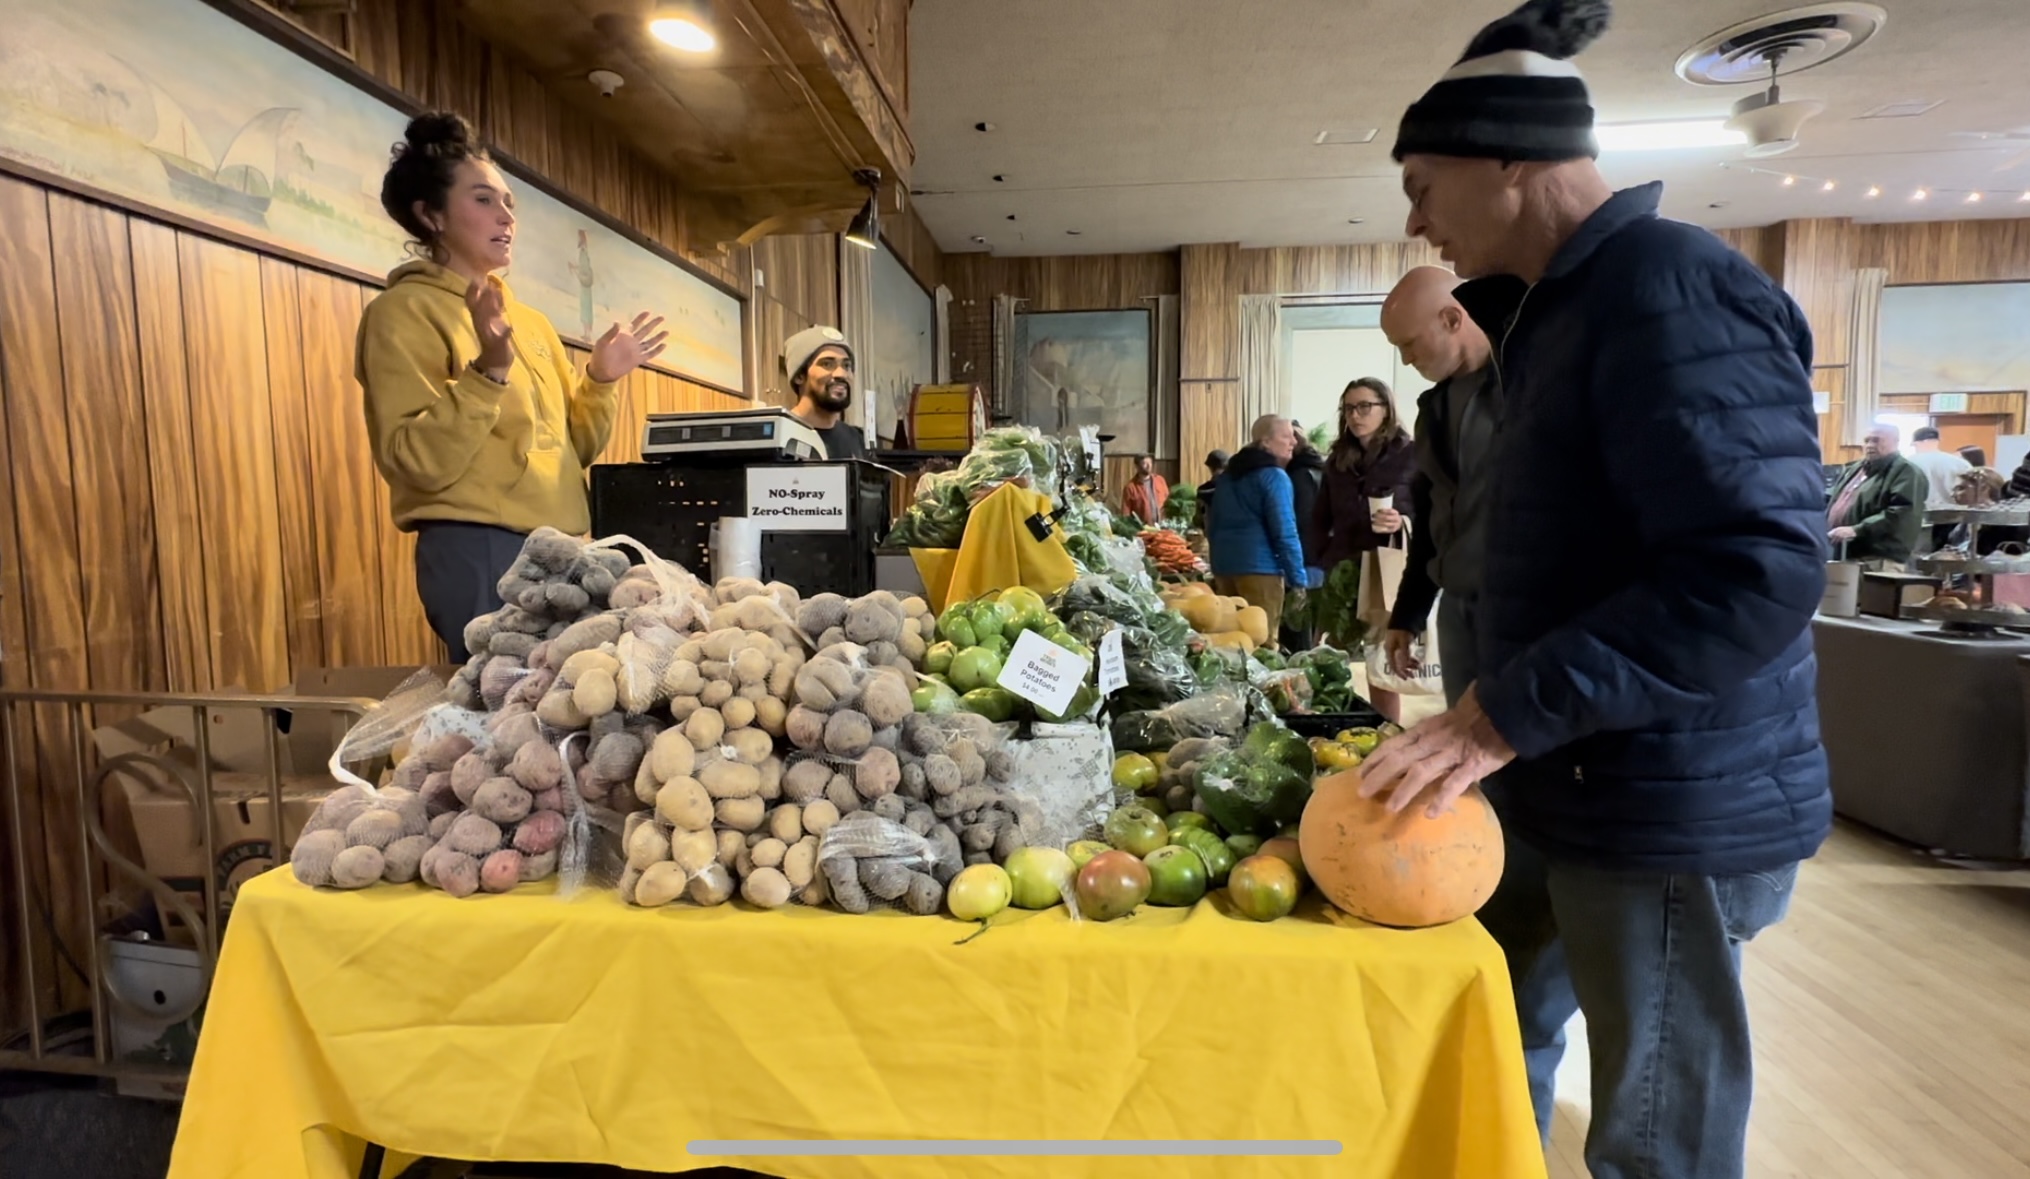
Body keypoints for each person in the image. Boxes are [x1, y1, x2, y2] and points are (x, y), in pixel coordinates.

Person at [1359, 4, 1833, 1178]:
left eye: (1424, 184)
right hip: (1571, 776)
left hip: (1668, 799)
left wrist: (1499, 711)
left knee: (1654, 1118)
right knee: (1500, 1016)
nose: (1414, 219)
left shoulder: (1666, 291)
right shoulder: (1556, 313)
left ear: (1510, 161)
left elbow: (1753, 569)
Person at [359, 112, 667, 662]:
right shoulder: (401, 313)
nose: (506, 216)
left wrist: (599, 380)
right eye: (483, 200)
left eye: (508, 203)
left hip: (569, 545)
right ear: (429, 215)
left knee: (565, 710)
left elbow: (576, 450)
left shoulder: (530, 322)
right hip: (479, 545)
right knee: (508, 714)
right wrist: (489, 371)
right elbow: (413, 460)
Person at [1313, 379, 1416, 677]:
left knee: (1381, 663)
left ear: (1386, 409)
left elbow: (1435, 510)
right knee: (1333, 657)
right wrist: (1316, 563)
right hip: (1342, 567)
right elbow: (1320, 517)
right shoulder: (1337, 461)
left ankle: (1387, 722)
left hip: (1388, 567)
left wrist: (1403, 520)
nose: (1355, 416)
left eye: (1364, 407)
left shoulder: (1412, 455)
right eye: (1348, 409)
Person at [1205, 416, 1307, 636]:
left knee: (1231, 641)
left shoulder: (1228, 477)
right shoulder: (1274, 477)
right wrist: (1298, 580)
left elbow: (1211, 525)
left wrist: (1216, 565)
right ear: (1266, 442)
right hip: (1261, 571)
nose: (1294, 442)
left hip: (1224, 568)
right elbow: (1285, 532)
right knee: (1263, 643)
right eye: (1286, 436)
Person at [1827, 424, 1926, 569]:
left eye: (1877, 440)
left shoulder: (1906, 472)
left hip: (1878, 558)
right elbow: (1832, 499)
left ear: (1895, 441)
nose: (1870, 445)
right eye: (1866, 440)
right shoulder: (1855, 469)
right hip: (1843, 554)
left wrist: (1857, 529)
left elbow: (1901, 512)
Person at [784, 326, 866, 460]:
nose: (841, 374)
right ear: (799, 376)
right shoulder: (779, 433)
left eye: (846, 366)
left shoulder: (856, 440)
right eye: (827, 364)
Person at [1282, 423, 1328, 649]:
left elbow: (1300, 520)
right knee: (1311, 619)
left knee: (1297, 622)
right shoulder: (1321, 468)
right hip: (1321, 555)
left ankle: (1300, 668)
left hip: (1302, 557)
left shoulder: (1297, 475)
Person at [1122, 454, 1170, 524]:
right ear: (1137, 466)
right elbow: (1125, 512)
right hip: (1143, 529)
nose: (1148, 466)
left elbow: (1169, 501)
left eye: (1150, 463)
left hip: (1163, 526)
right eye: (1144, 463)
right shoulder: (1130, 487)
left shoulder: (1160, 480)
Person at [1192, 449, 1229, 532]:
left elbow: (1198, 519)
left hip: (1214, 534)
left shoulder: (1204, 490)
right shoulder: (1237, 486)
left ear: (1210, 468)